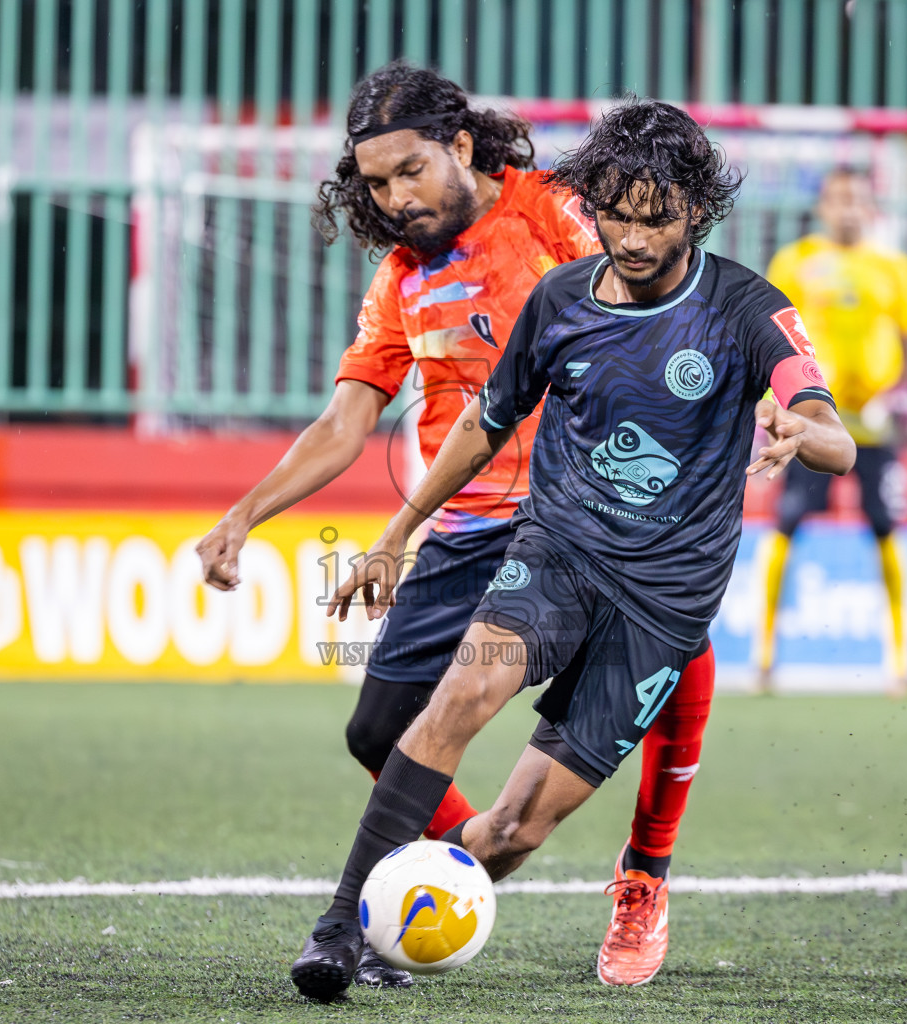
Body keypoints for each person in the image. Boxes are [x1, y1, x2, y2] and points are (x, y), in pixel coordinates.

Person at [290, 99, 853, 1001]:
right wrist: (400, 530)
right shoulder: (560, 301)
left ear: (695, 210)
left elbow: (833, 433)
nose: (631, 237)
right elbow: (484, 424)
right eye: (615, 214)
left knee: (511, 831)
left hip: (662, 602)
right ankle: (340, 929)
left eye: (655, 216)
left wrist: (798, 430)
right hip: (558, 555)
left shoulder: (747, 307)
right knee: (460, 693)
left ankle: (420, 915)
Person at [194, 65, 717, 990]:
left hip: (576, 519)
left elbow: (658, 289)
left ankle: (641, 873)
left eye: (409, 172)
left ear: (462, 147)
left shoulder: (554, 213)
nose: (395, 200)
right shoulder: (401, 280)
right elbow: (345, 423)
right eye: (377, 184)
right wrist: (246, 515)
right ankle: (435, 888)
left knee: (682, 648)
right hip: (465, 526)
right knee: (378, 730)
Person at [757, 167, 907, 698]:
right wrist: (770, 409)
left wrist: (904, 395)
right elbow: (771, 336)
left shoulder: (895, 268)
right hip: (814, 425)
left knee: (887, 528)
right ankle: (764, 660)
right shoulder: (795, 262)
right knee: (786, 525)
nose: (849, 208)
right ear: (823, 207)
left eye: (858, 199)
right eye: (839, 199)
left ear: (871, 207)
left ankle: (899, 665)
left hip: (874, 427)